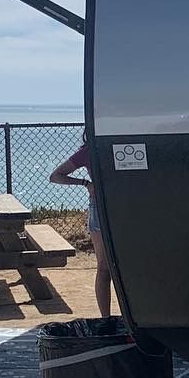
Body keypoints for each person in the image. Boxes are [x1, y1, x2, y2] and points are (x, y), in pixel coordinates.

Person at [49, 136, 113, 318]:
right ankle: (106, 318)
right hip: (100, 207)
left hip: (123, 206)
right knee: (104, 267)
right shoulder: (88, 151)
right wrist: (86, 183)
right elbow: (56, 176)